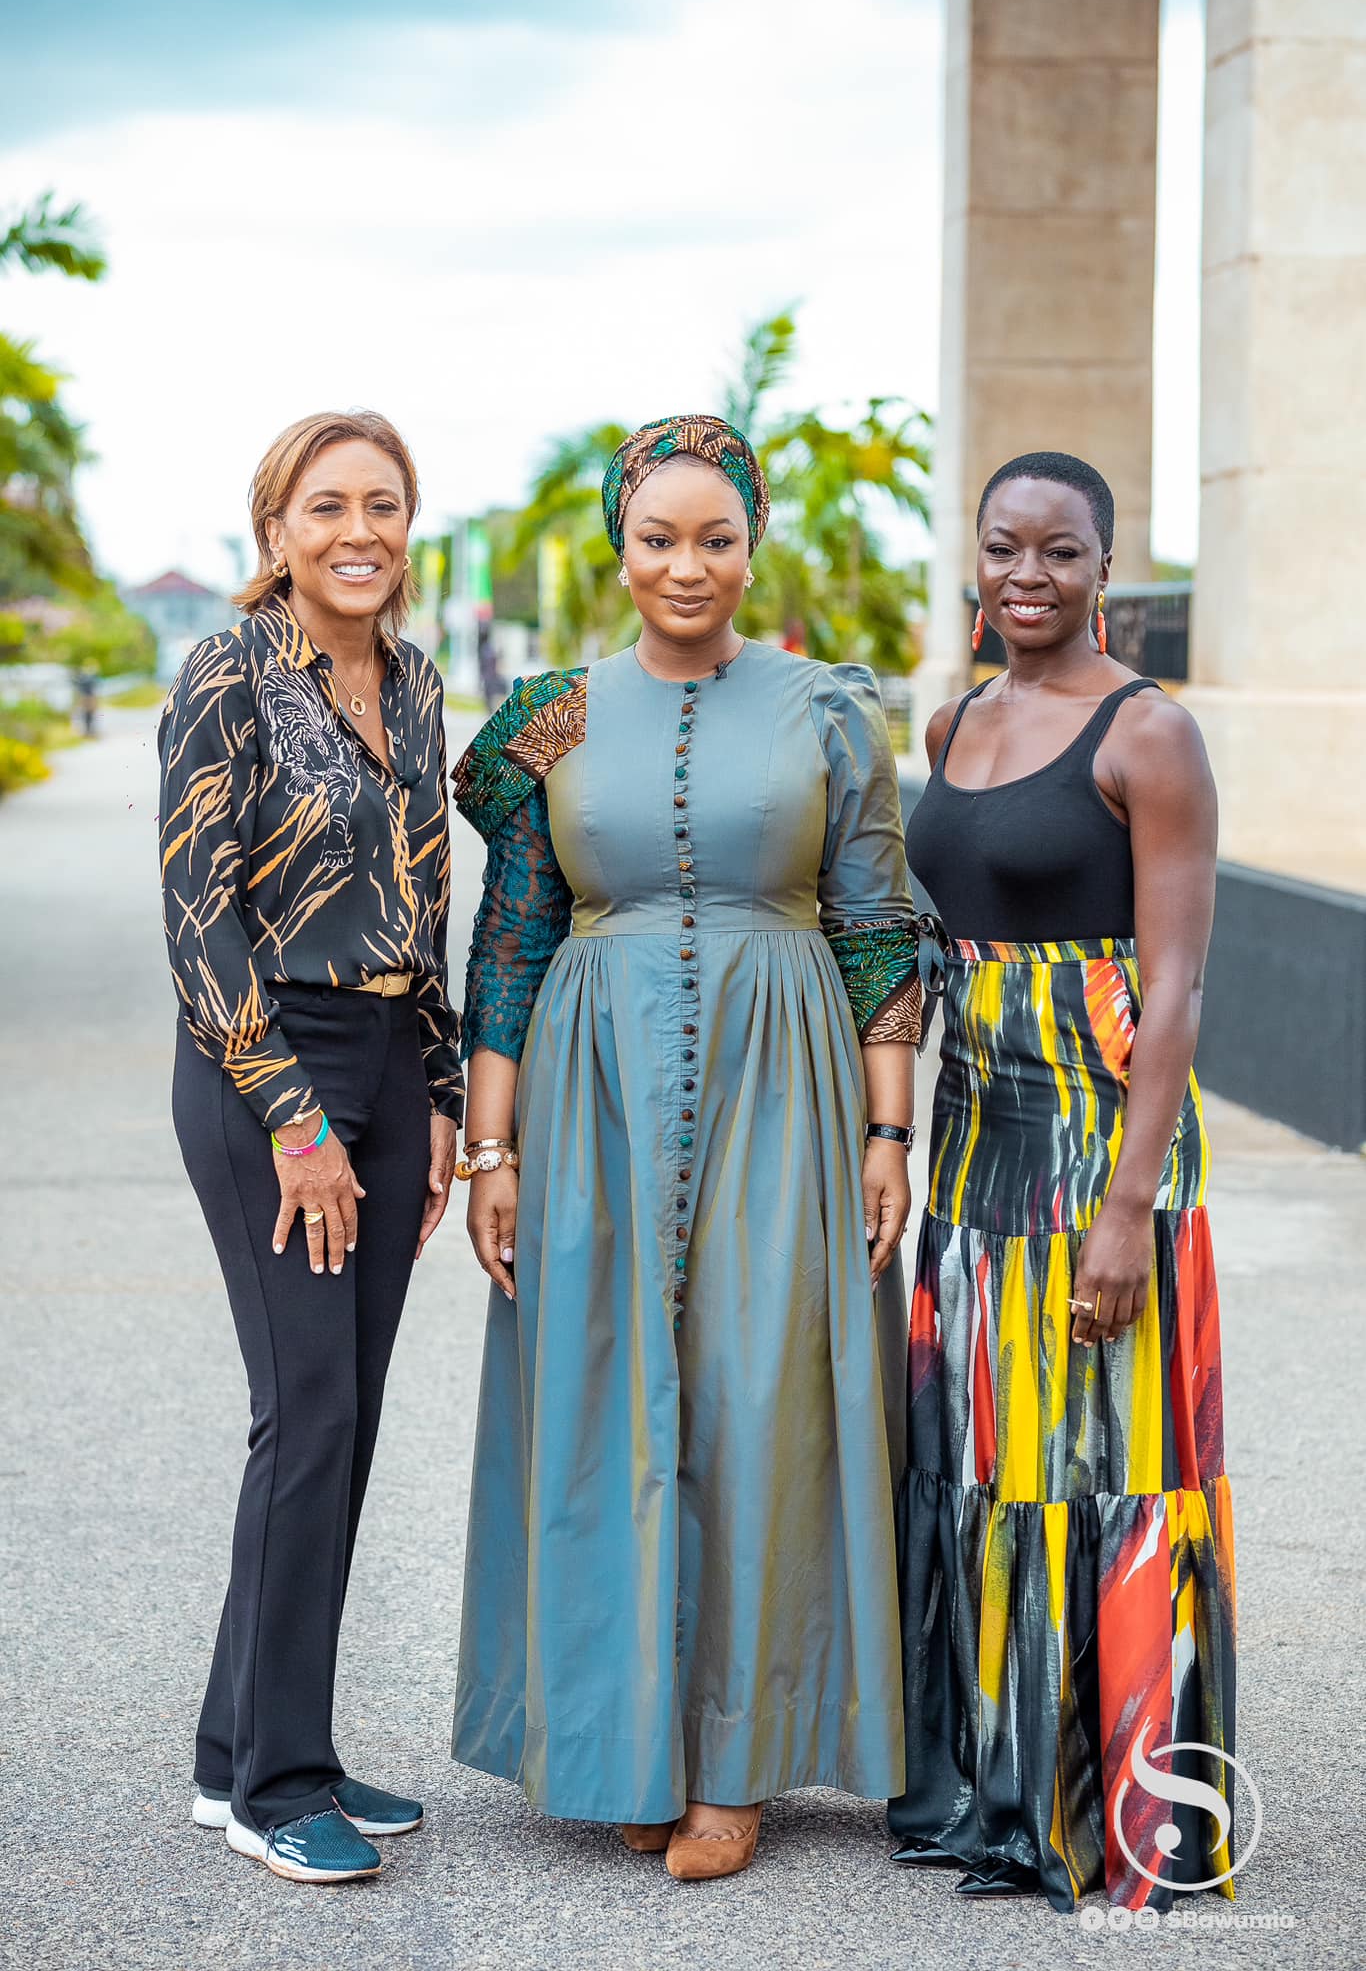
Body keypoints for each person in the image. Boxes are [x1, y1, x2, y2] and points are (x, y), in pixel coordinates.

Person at [450, 414, 924, 1881]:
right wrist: (491, 1150)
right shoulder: (549, 714)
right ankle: (624, 1743)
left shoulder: (830, 711)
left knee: (757, 1393)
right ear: (619, 542)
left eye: (715, 537)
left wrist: (887, 1124)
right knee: (606, 1397)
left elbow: (877, 925)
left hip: (784, 1080)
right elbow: (513, 936)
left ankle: (735, 1761)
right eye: (659, 537)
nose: (686, 565)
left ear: (752, 540)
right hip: (588, 1090)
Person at [892, 453, 1235, 1910]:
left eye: (1061, 551)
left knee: (1125, 1476)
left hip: (1102, 1154)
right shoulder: (952, 717)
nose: (1027, 574)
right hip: (973, 1157)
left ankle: (1139, 1825)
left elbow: (1174, 985)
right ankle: (1003, 1799)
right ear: (975, 562)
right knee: (988, 1474)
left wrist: (1126, 1205)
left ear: (1106, 571)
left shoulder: (1145, 735)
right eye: (1003, 548)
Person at [157, 410, 464, 1884]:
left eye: (384, 505)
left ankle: (253, 1750)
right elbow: (195, 918)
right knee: (308, 1418)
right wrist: (292, 1117)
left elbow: (429, 900)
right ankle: (278, 1790)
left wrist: (447, 1093)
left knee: (341, 1426)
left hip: (392, 1067)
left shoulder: (410, 685)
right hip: (263, 1061)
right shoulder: (227, 674)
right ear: (275, 527)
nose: (360, 531)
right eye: (328, 504)